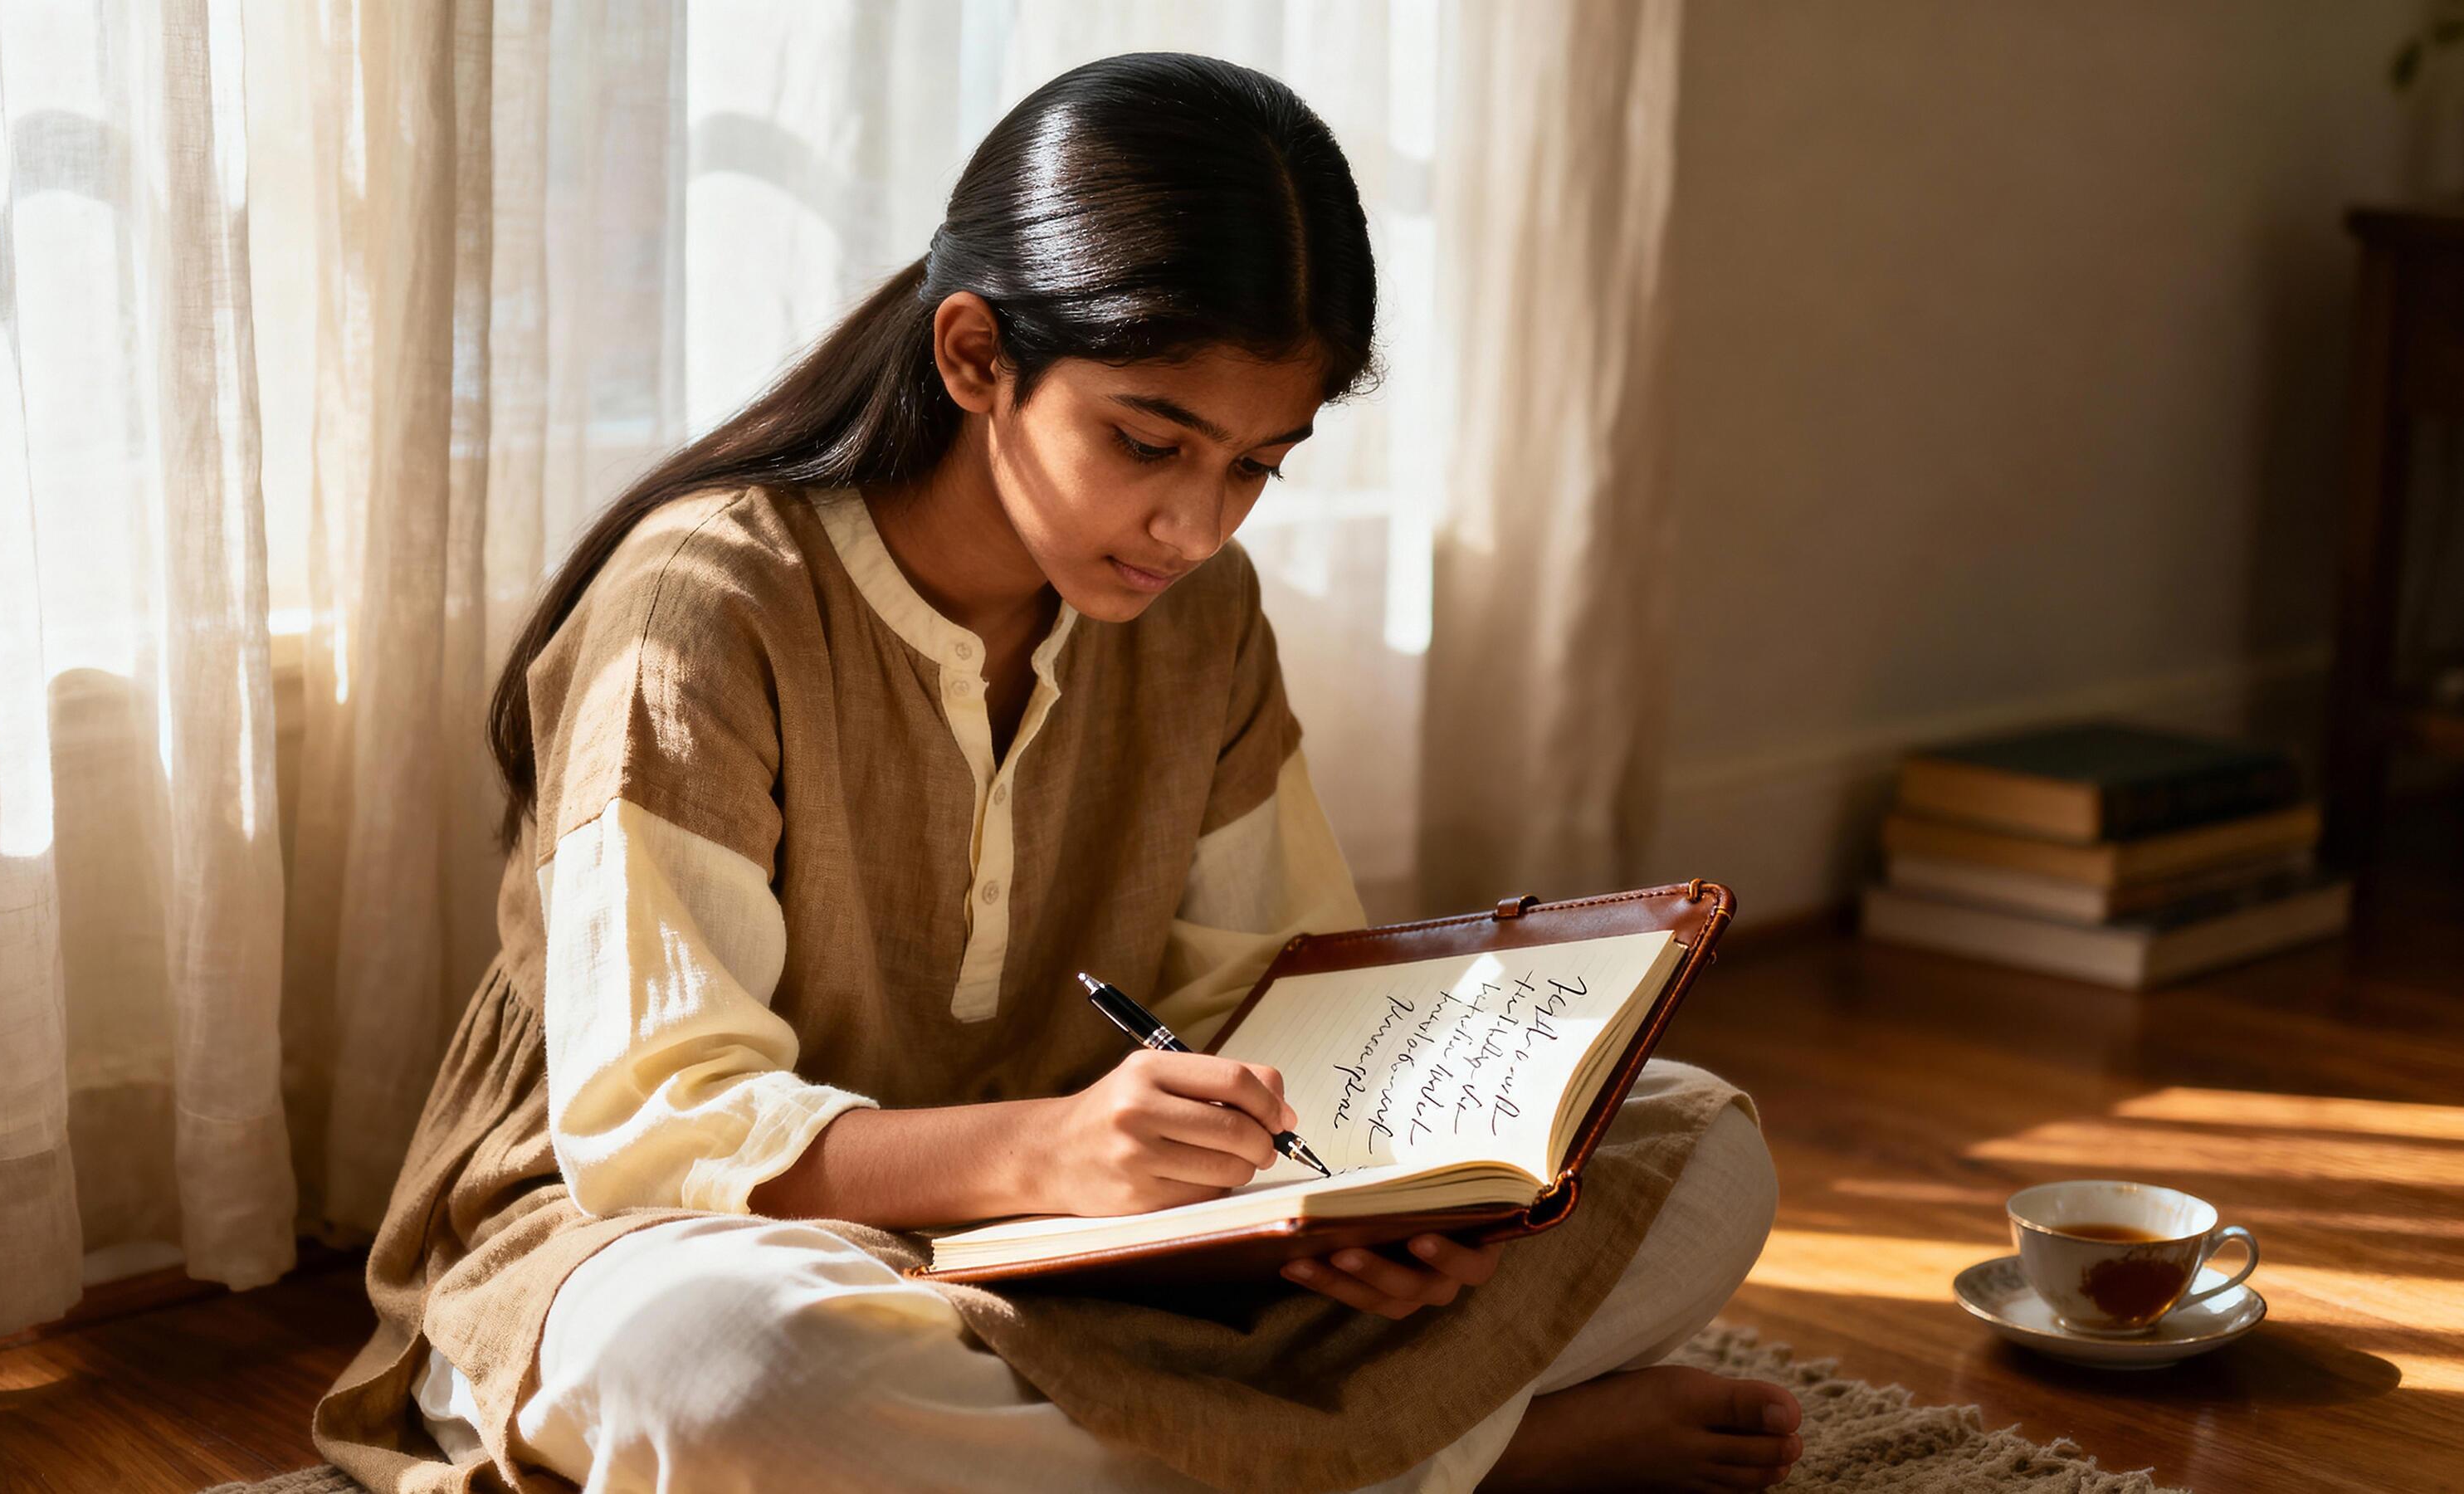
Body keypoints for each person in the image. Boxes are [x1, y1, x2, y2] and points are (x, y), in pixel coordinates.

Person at [315, 50, 1798, 1494]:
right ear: (976, 355)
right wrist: (1050, 1151)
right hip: (696, 1228)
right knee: (741, 1374)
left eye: (1252, 467)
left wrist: (1341, 1196)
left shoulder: (1201, 616)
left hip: (1098, 1237)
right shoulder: (707, 605)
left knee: (1694, 1150)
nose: (1194, 527)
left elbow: (1264, 987)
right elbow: (662, 1126)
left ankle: (1255, 1459)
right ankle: (1453, 1458)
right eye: (1148, 440)